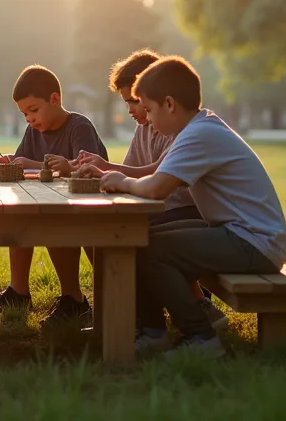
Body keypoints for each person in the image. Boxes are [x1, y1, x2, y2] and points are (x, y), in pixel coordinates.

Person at [97, 56, 286, 357]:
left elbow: (156, 188)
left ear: (170, 104)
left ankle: (200, 338)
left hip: (254, 241)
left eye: (148, 109)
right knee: (143, 240)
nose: (146, 118)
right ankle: (152, 330)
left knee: (152, 249)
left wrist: (120, 181)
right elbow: (156, 179)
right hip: (240, 233)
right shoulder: (199, 128)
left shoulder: (198, 135)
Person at [75, 49, 227, 341]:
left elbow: (156, 178)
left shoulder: (185, 129)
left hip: (183, 210)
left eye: (136, 101)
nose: (133, 110)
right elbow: (136, 172)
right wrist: (107, 172)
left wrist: (112, 173)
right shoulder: (155, 126)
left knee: (133, 237)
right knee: (113, 234)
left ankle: (165, 318)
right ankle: (135, 319)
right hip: (162, 208)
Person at [0, 65, 108, 328]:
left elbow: (87, 166)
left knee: (55, 222)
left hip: (90, 207)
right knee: (20, 212)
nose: (29, 119)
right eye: (24, 114)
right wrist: (8, 162)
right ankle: (19, 291)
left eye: (33, 110)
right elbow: (23, 161)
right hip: (54, 204)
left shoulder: (78, 126)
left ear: (55, 100)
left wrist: (32, 164)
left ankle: (82, 298)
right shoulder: (33, 132)